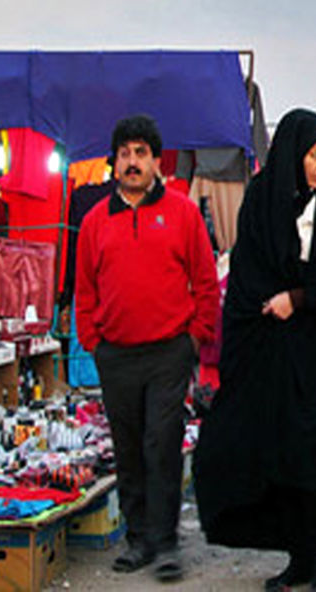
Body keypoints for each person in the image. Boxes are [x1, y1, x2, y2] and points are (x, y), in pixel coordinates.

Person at [193, 109, 316, 592]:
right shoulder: (262, 200)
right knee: (284, 458)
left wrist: (300, 297)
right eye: (314, 155)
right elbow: (248, 277)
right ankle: (298, 558)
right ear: (293, 153)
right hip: (274, 356)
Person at [75, 114, 218, 582]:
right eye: (124, 154)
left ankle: (166, 541)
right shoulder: (95, 221)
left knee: (162, 444)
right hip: (115, 353)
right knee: (128, 447)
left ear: (157, 161)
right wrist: (93, 341)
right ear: (114, 162)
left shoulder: (182, 213)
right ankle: (138, 539)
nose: (132, 162)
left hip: (168, 352)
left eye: (141, 153)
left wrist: (194, 338)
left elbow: (205, 280)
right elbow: (84, 290)